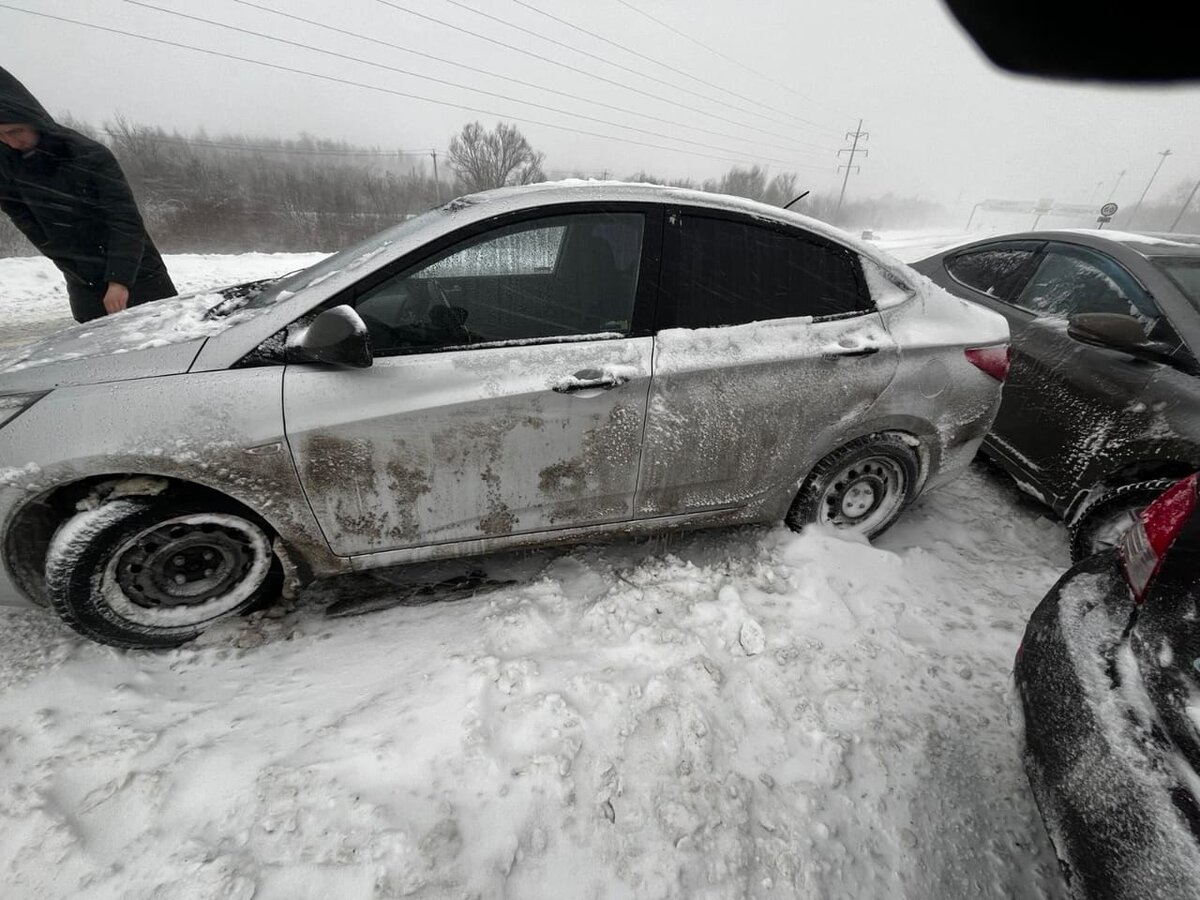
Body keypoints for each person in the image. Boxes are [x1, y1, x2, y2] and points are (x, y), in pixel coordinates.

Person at [0, 66, 176, 323]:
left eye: (16, 131)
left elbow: (125, 220)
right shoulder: (7, 167)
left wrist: (119, 279)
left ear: (34, 121)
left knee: (167, 350)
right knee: (97, 359)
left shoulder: (89, 155)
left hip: (139, 274)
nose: (11, 142)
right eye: (1, 135)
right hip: (82, 282)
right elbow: (25, 220)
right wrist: (65, 258)